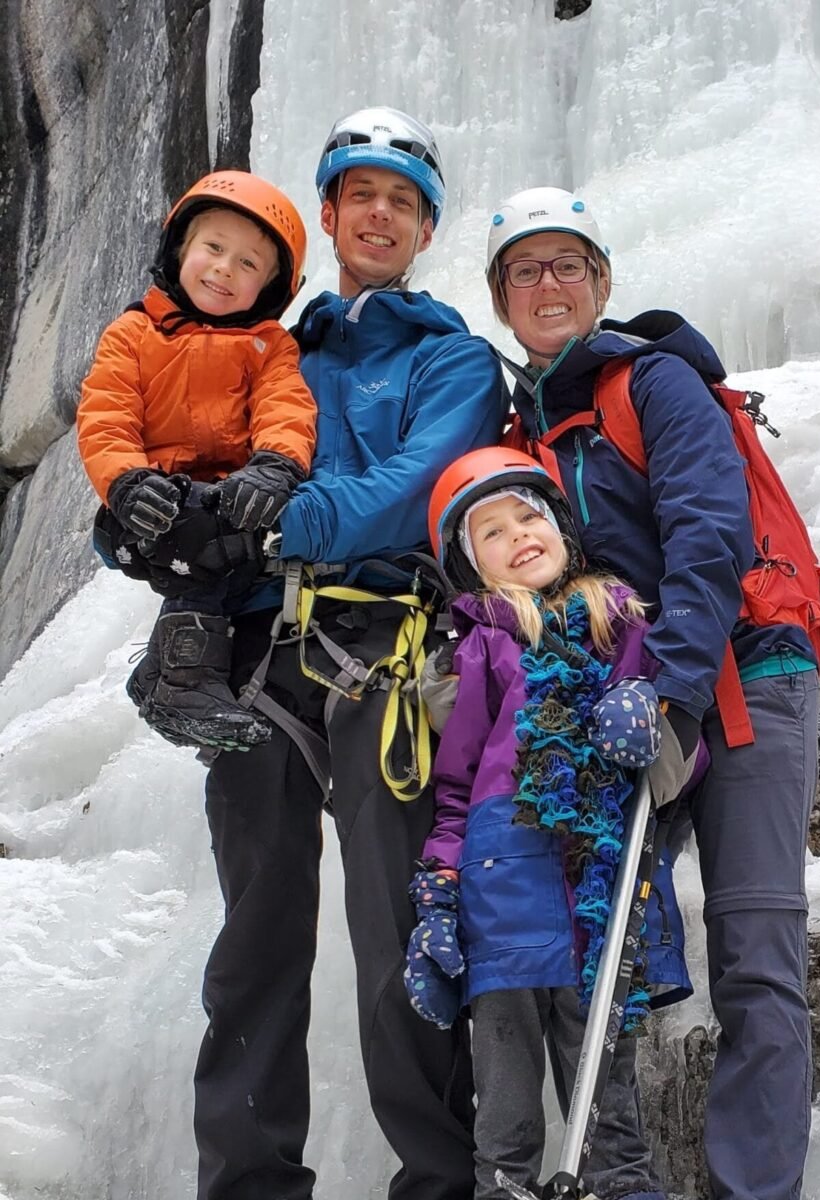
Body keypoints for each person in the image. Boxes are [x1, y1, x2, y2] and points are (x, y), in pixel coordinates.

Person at [147, 109, 506, 1200]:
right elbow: (180, 450)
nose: (380, 214)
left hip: (388, 646)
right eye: (363, 195)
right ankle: (248, 1185)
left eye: (401, 200)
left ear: (424, 225)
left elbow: (416, 485)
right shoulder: (267, 348)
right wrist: (142, 523)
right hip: (261, 650)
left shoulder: (454, 359)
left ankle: (440, 1182)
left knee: (398, 925)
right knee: (255, 937)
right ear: (332, 214)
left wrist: (271, 523)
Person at [483, 187, 820, 1200]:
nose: (549, 285)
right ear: (501, 296)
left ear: (601, 283)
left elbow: (707, 533)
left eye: (568, 266)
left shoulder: (657, 383)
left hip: (742, 680)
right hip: (623, 702)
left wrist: (670, 692)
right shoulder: (522, 432)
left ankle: (750, 1190)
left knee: (756, 945)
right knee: (595, 936)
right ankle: (620, 1178)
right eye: (526, 270)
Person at [405, 445, 699, 1200]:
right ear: (474, 566)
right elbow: (457, 784)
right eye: (492, 533)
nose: (519, 536)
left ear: (562, 527)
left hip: (602, 880)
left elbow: (678, 767)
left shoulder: (625, 624)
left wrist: (650, 717)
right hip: (501, 896)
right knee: (504, 1104)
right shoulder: (484, 650)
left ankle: (622, 1188)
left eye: (528, 517)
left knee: (608, 1101)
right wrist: (437, 889)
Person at [77, 170, 316, 750]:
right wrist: (126, 482)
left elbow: (286, 406)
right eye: (213, 248)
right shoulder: (133, 334)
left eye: (248, 264)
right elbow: (107, 416)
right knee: (203, 540)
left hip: (228, 500)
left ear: (272, 287)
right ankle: (185, 680)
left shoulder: (269, 347)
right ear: (179, 249)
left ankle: (162, 672)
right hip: (143, 505)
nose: (225, 270)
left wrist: (276, 466)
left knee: (240, 539)